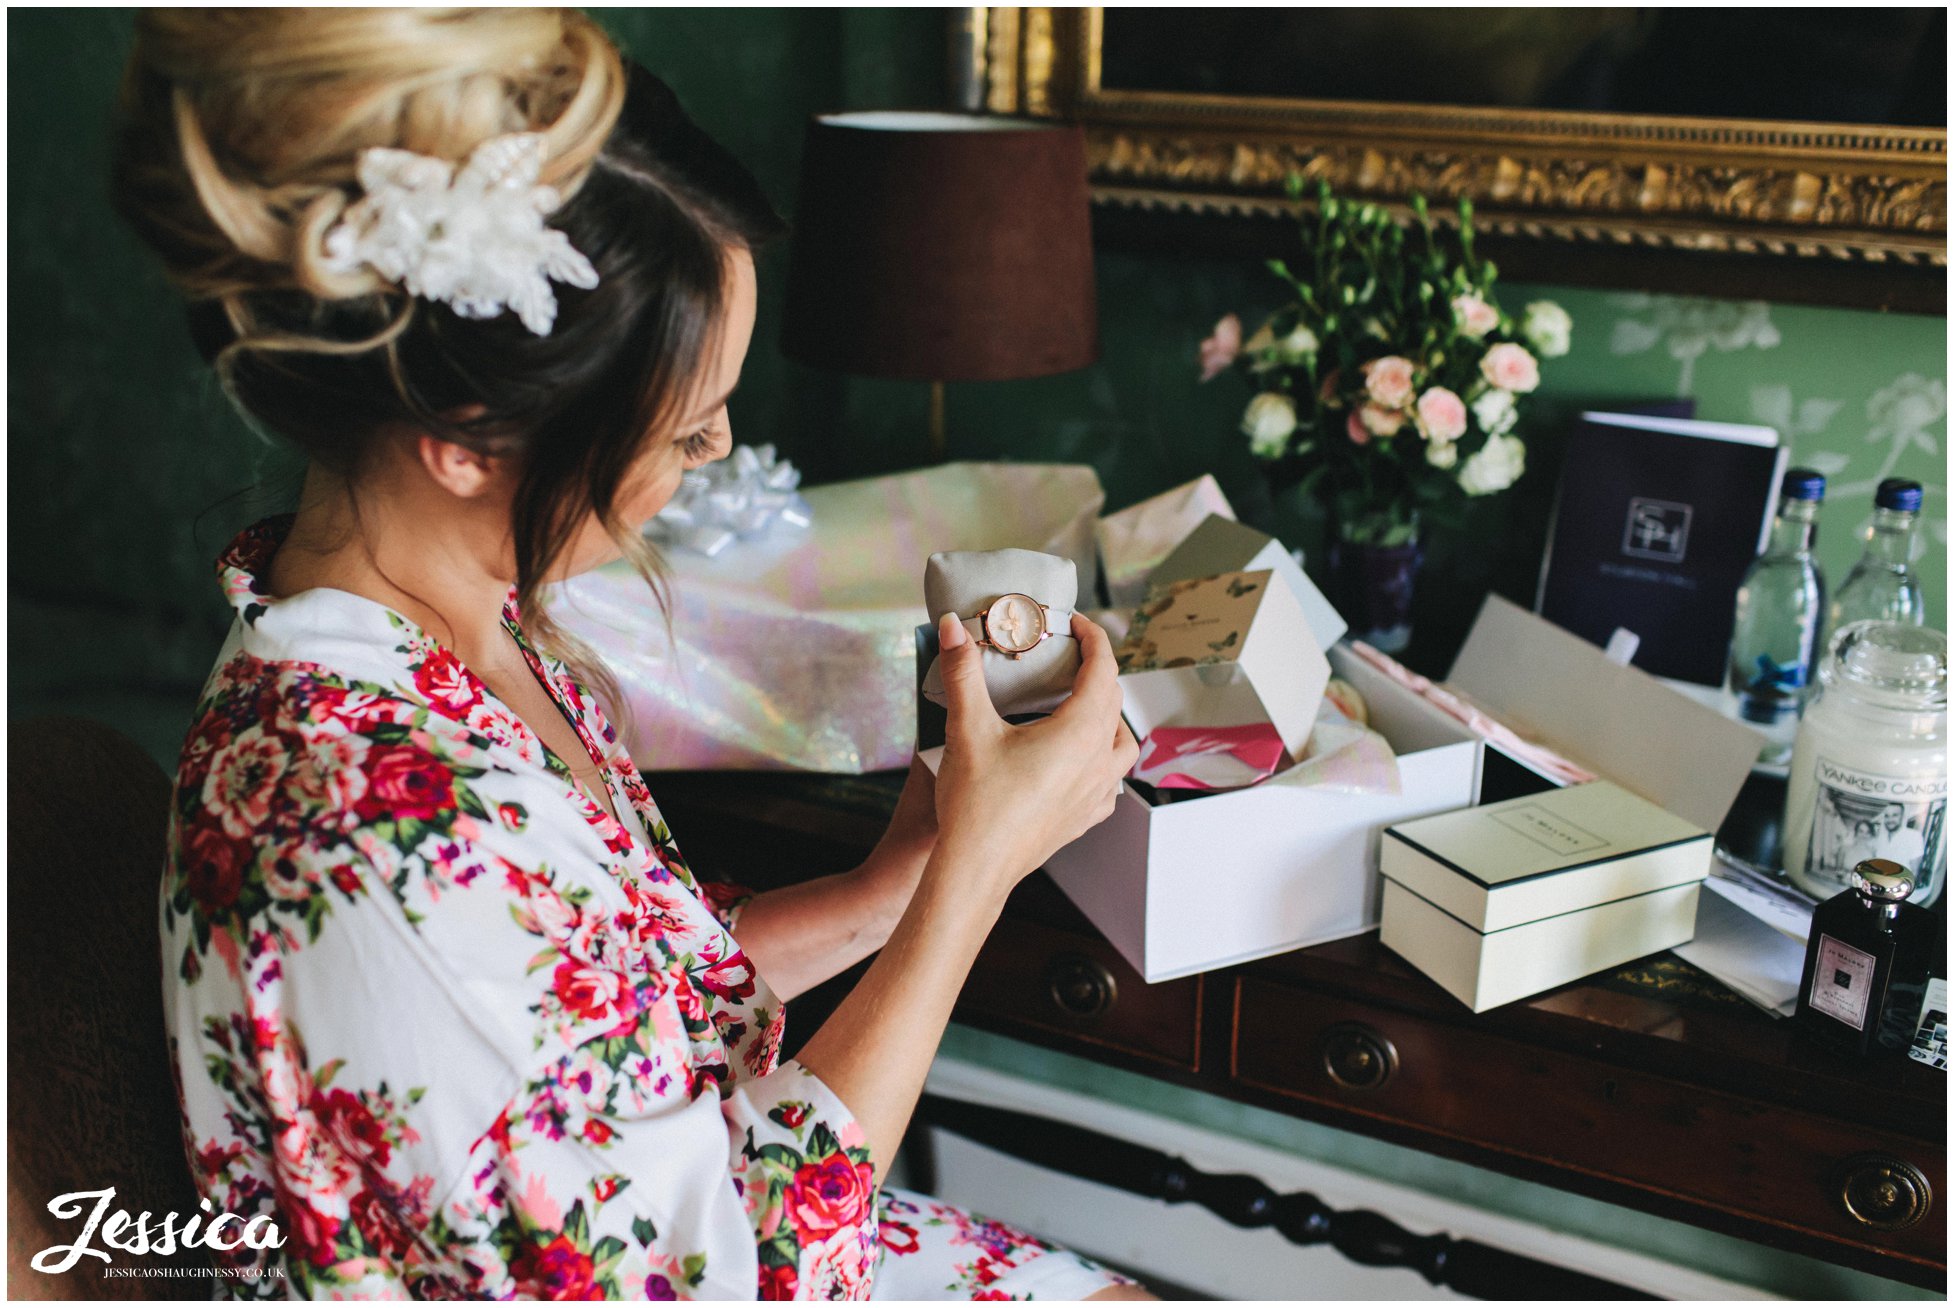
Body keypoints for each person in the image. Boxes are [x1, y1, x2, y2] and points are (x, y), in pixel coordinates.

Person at [112, 9, 1145, 1300]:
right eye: (687, 431)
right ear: (466, 435)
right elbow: (727, 1276)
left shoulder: (468, 630)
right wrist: (974, 884)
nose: (707, 463)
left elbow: (613, 1013)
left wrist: (904, 878)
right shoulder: (366, 830)